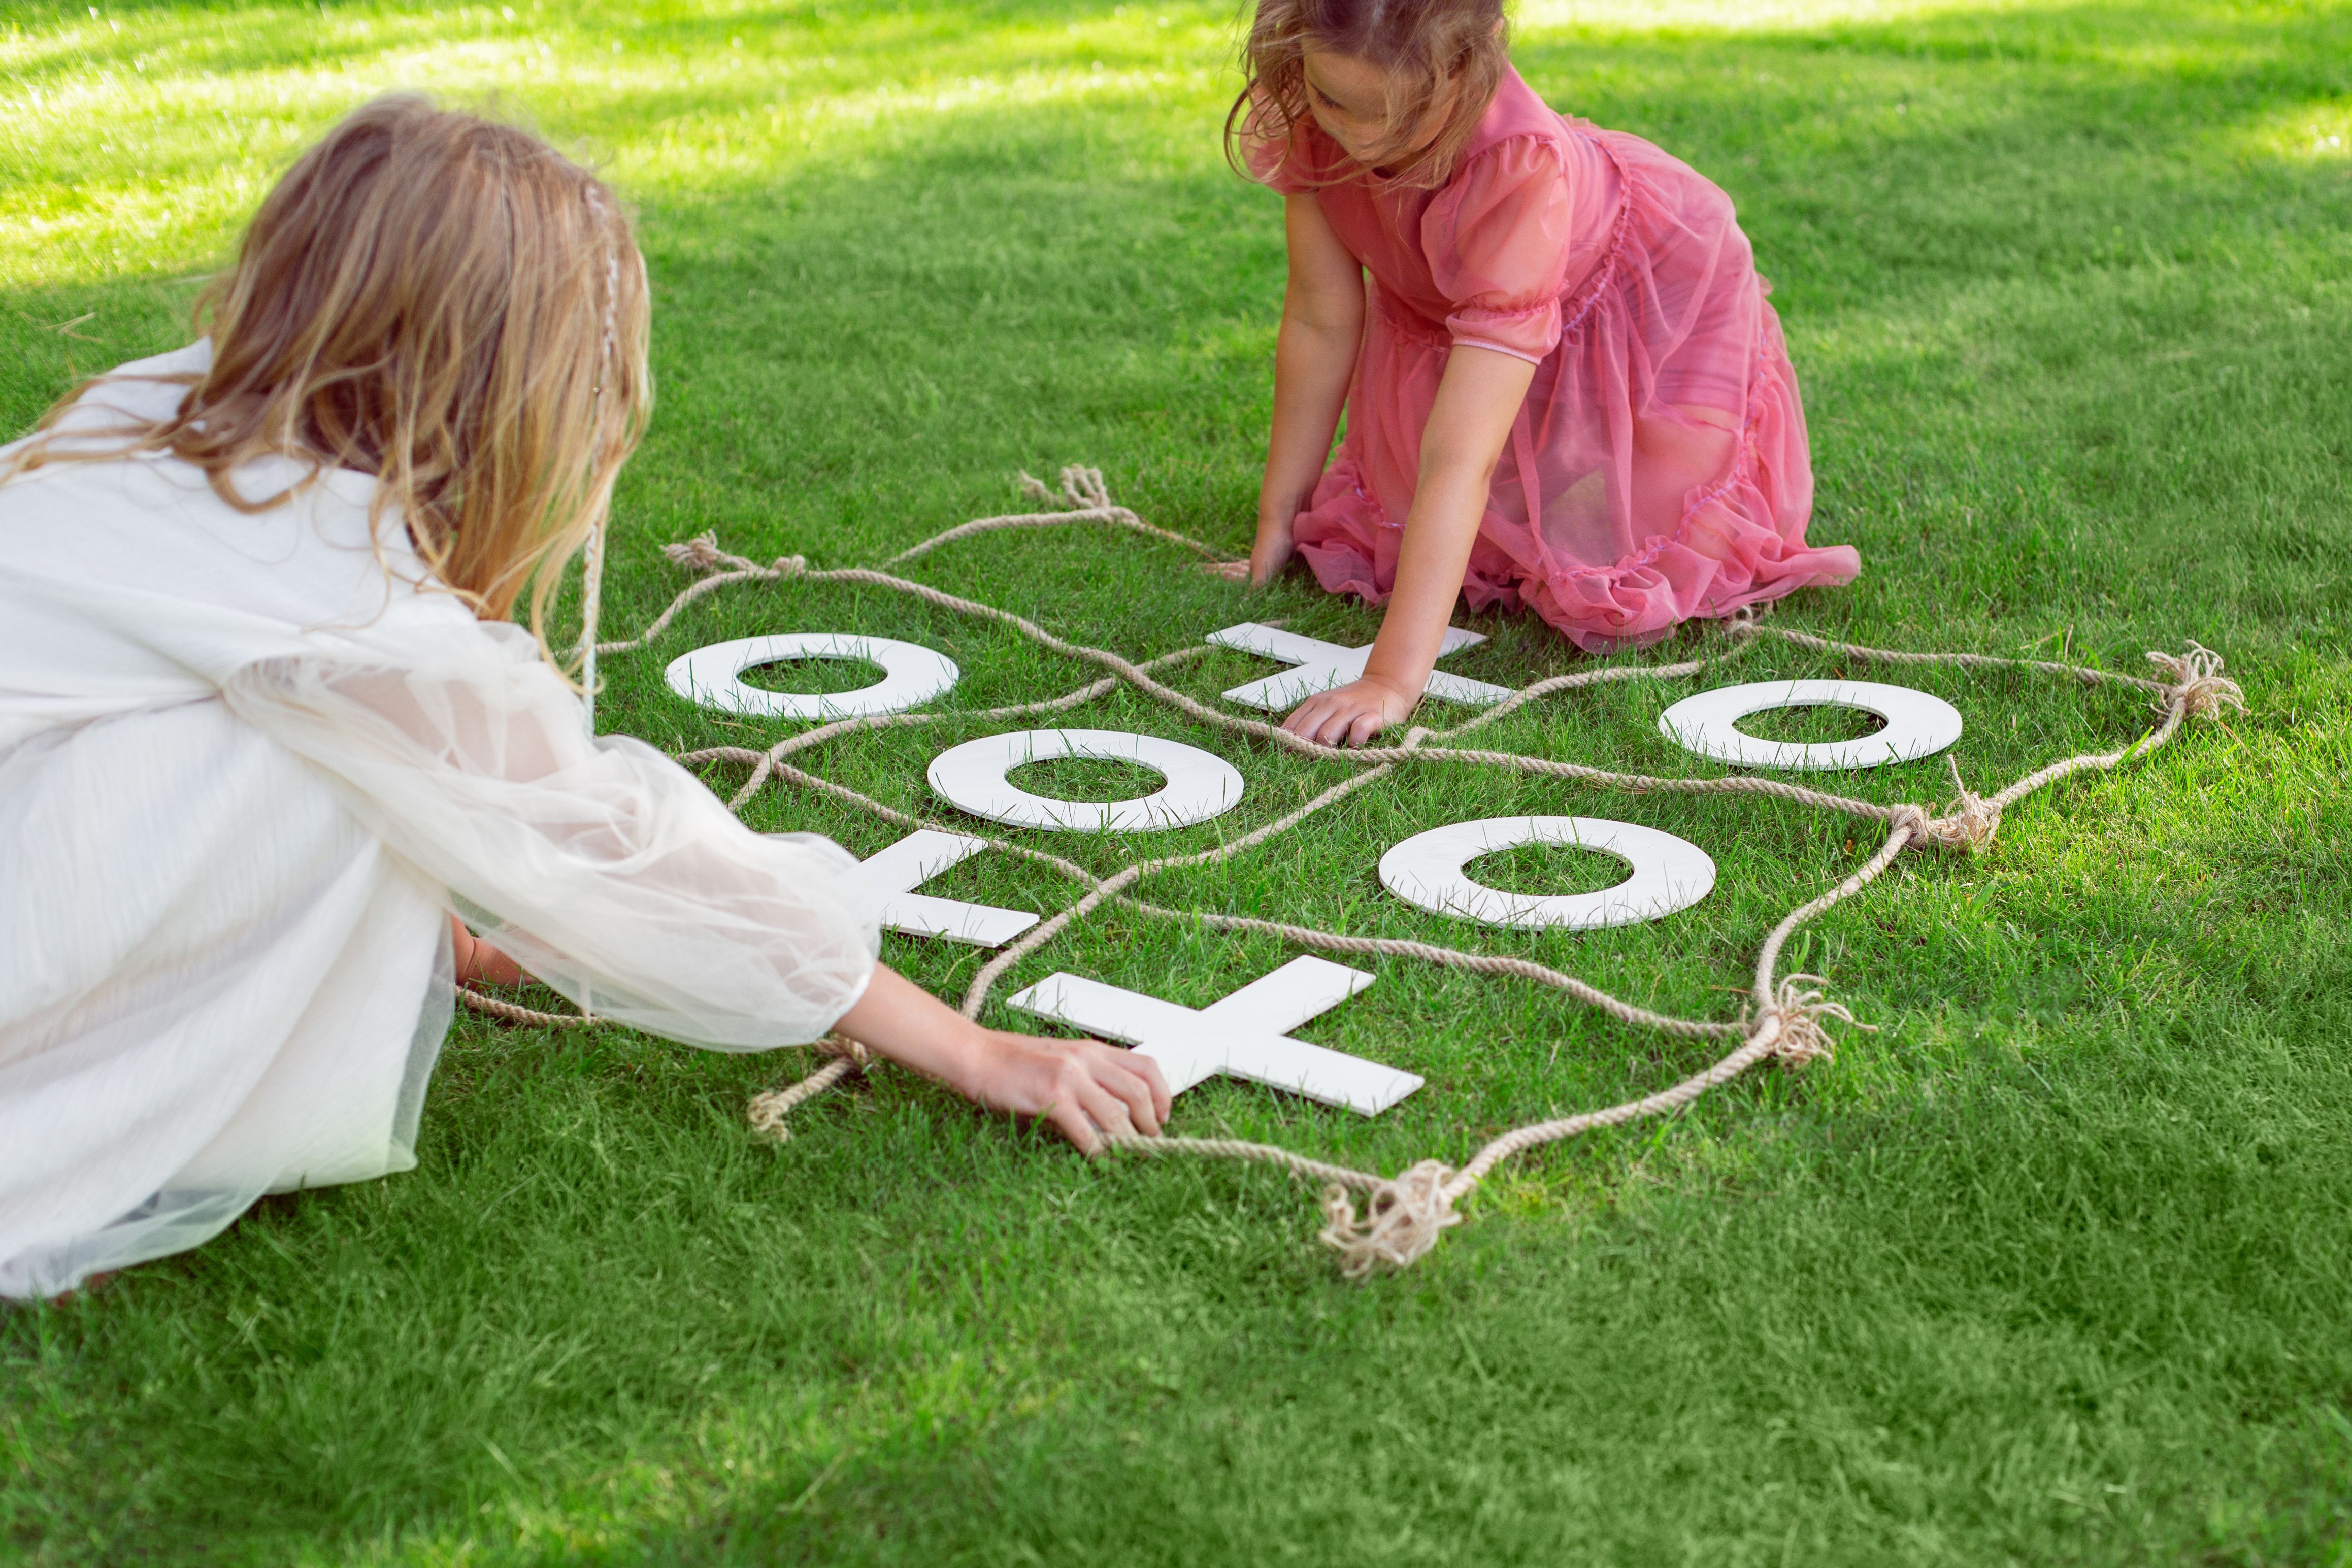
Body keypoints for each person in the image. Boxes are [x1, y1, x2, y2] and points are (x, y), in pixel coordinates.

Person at [0, 97, 1166, 1302]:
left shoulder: (156, 404)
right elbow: (605, 838)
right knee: (303, 766)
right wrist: (971, 1048)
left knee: (320, 750)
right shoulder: (347, 602)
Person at [1231, 0, 1860, 747]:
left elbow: (1461, 457)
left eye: (1399, 118)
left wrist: (1392, 678)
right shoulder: (1309, 101)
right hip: (1457, 297)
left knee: (1609, 536)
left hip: (1636, 287)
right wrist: (1276, 527)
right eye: (1339, 102)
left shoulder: (1519, 170)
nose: (1361, 139)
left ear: (1473, 64)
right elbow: (1320, 319)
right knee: (1442, 529)